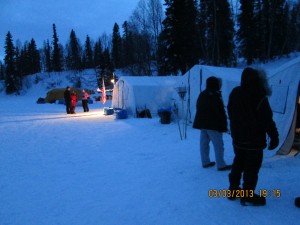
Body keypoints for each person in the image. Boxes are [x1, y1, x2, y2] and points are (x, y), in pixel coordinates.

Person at [227, 67, 279, 206]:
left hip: (238, 139)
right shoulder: (259, 96)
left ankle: (233, 190)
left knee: (238, 163)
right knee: (251, 168)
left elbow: (230, 111)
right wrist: (274, 136)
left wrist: (236, 127)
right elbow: (267, 120)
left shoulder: (235, 92)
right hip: (254, 142)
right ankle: (248, 195)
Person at [193, 76, 232, 171]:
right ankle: (221, 165)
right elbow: (220, 111)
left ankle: (205, 162)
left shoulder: (202, 94)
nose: (220, 86)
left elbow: (198, 106)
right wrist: (224, 125)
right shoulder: (215, 95)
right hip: (213, 125)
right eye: (219, 84)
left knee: (204, 144)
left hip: (202, 124)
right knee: (218, 144)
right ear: (216, 84)